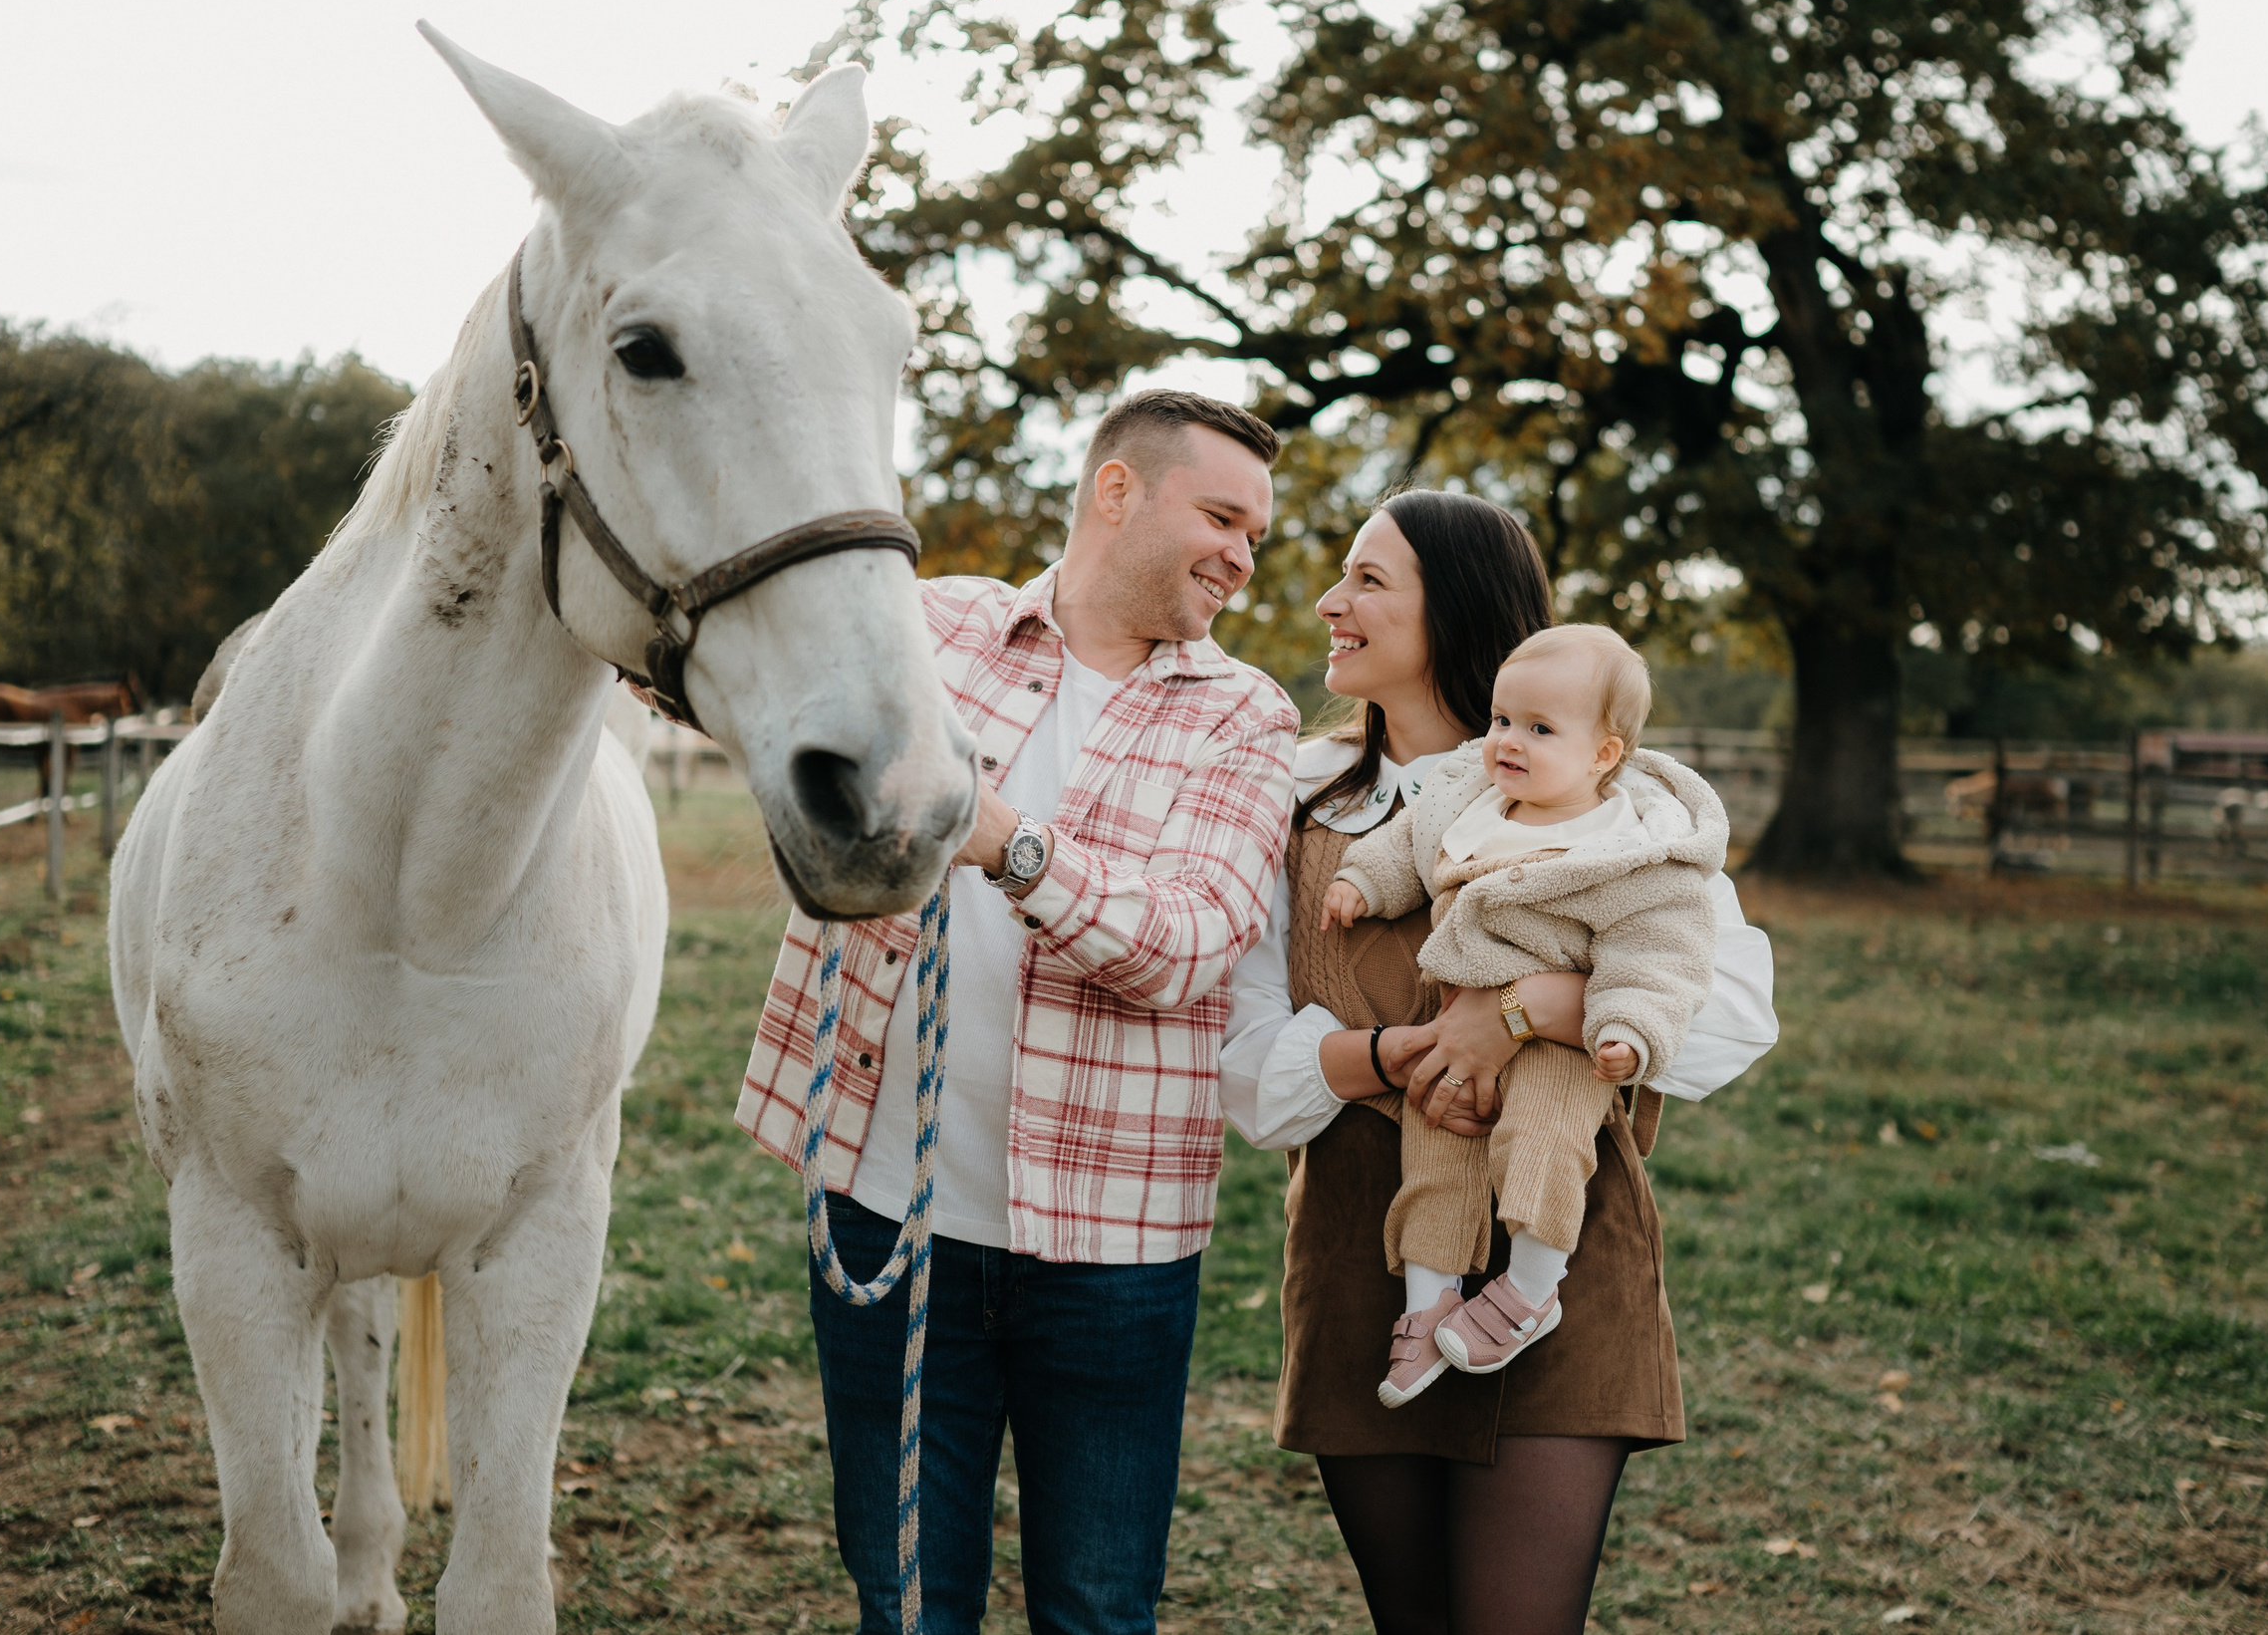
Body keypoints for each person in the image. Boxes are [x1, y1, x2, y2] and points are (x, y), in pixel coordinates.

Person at [734, 390, 1300, 1635]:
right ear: (1115, 491)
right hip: (888, 1208)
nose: (1243, 556)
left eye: (1255, 532)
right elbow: (744, 676)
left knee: (1096, 1608)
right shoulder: (930, 629)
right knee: (906, 1601)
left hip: (1112, 1249)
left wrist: (1011, 846)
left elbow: (1190, 942)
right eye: (1220, 515)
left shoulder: (1246, 715)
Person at [1219, 491, 1779, 1635]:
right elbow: (1243, 1070)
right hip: (1362, 1254)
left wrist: (1525, 1009)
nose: (1332, 600)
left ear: (1456, 606)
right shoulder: (1291, 799)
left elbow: (1726, 1014)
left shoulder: (1611, 801)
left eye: (1370, 580)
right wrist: (1397, 1053)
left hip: (1559, 1247)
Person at [1321, 624, 1726, 1406]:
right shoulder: (1471, 801)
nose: (1508, 740)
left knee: (1544, 1140)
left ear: (1604, 754)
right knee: (1433, 1145)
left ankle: (1533, 1288)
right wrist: (1363, 882)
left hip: (1563, 1048)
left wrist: (1627, 1028)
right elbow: (1410, 842)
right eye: (1503, 719)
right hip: (1454, 1029)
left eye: (1540, 729)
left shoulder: (1632, 848)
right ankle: (1427, 1302)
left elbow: (1661, 951)